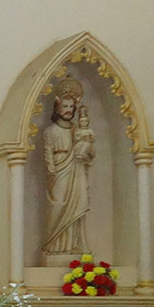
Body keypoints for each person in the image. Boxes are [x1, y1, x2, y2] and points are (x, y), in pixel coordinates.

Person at [42, 76, 95, 258]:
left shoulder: (77, 130)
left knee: (77, 205)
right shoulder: (50, 131)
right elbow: (47, 152)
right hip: (58, 170)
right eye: (65, 106)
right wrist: (51, 169)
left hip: (76, 169)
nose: (68, 110)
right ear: (57, 107)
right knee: (57, 206)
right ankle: (54, 246)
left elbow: (90, 152)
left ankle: (74, 245)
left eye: (71, 107)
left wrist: (86, 150)